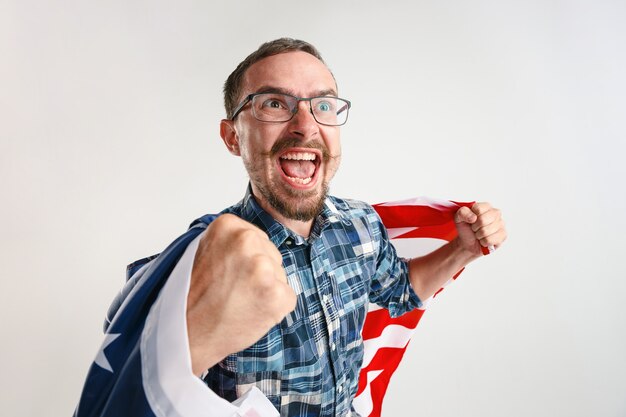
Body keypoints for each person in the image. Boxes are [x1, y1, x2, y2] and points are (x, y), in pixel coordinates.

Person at [114, 38, 507, 416]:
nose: (306, 125)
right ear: (233, 137)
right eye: (274, 103)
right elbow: (136, 389)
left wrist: (463, 250)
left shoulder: (362, 225)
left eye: (323, 105)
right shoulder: (200, 262)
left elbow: (401, 293)